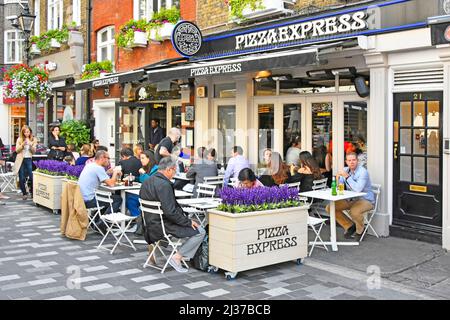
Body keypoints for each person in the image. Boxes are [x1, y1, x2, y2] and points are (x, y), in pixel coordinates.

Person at [139, 157, 206, 273]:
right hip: (163, 226)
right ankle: (177, 257)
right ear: (169, 170)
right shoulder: (165, 185)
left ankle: (183, 253)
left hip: (149, 225)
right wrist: (188, 222)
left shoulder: (146, 181)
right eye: (174, 171)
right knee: (200, 231)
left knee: (190, 226)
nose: (174, 174)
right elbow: (171, 212)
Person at [326, 152, 375, 241]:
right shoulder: (346, 170)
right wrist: (338, 179)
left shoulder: (363, 172)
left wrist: (347, 177)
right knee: (330, 208)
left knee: (354, 211)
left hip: (365, 200)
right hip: (350, 199)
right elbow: (338, 187)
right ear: (346, 162)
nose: (351, 162)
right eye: (349, 160)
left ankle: (360, 230)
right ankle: (349, 226)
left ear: (357, 161)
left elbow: (358, 189)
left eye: (354, 160)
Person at [78, 150, 122, 216]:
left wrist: (107, 172)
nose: (109, 160)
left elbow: (97, 175)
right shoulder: (98, 168)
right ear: (102, 158)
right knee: (117, 199)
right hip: (89, 200)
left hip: (81, 198)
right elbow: (111, 184)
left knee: (110, 198)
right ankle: (103, 223)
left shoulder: (90, 165)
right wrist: (115, 172)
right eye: (108, 158)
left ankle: (97, 219)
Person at [126, 151, 159, 232]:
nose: (141, 160)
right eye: (140, 158)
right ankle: (139, 220)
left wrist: (143, 173)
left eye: (143, 158)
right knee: (129, 199)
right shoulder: (146, 168)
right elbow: (142, 180)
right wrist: (134, 178)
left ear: (149, 158)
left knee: (130, 199)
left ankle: (139, 222)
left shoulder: (156, 169)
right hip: (144, 193)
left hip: (152, 196)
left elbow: (151, 181)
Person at [14, 125, 38, 200]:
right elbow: (17, 150)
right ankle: (24, 193)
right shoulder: (19, 139)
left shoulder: (34, 139)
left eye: (28, 132)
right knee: (21, 177)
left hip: (28, 159)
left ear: (30, 132)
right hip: (21, 159)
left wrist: (30, 145)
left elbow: (34, 151)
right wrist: (22, 145)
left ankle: (32, 192)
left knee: (31, 176)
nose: (26, 133)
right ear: (22, 133)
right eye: (25, 132)